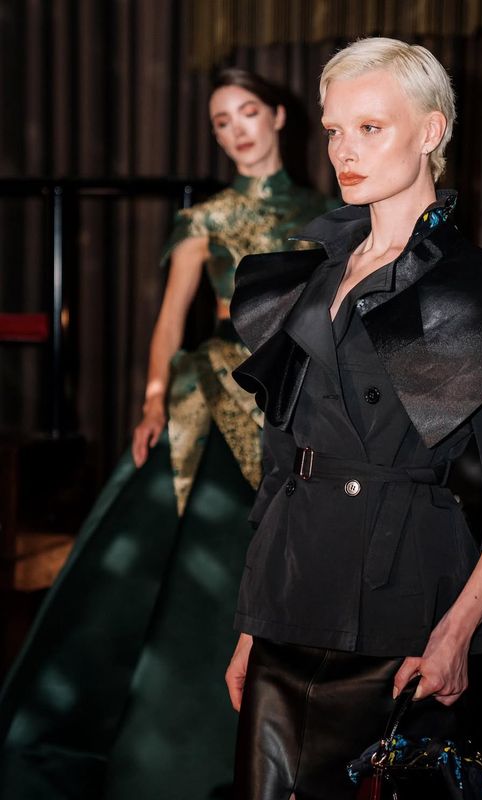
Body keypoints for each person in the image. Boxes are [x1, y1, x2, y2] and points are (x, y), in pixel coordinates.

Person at [223, 38, 482, 800]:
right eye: (334, 129)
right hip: (288, 609)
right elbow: (280, 472)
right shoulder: (302, 281)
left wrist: (454, 634)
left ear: (429, 131)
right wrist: (251, 624)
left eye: (369, 128)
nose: (343, 151)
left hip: (404, 627)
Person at [0, 68, 335, 800]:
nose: (237, 130)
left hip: (297, 388)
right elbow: (168, 320)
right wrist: (153, 401)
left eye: (248, 112)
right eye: (221, 121)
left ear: (279, 116)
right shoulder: (203, 218)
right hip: (213, 386)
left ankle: (277, 746)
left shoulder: (328, 213)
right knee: (167, 558)